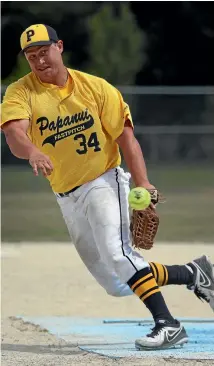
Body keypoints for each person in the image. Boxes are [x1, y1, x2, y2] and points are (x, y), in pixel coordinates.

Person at [1, 24, 214, 350]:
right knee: (116, 282)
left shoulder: (96, 88)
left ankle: (168, 324)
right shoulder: (21, 91)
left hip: (103, 180)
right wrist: (32, 151)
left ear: (59, 46)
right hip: (66, 195)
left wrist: (143, 183)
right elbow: (15, 133)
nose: (39, 60)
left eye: (44, 51)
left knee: (118, 254)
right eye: (31, 56)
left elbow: (125, 137)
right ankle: (193, 273)